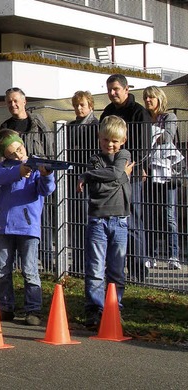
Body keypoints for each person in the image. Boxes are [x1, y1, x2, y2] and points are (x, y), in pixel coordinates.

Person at [0, 129, 55, 326]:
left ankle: (33, 310)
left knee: (30, 269)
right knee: (2, 269)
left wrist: (46, 175)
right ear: (5, 156)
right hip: (4, 228)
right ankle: (5, 307)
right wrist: (18, 171)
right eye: (12, 153)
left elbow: (46, 190)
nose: (18, 154)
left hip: (28, 228)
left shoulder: (35, 165)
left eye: (19, 149)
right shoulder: (5, 169)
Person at [77, 115, 134, 330]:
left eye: (114, 141)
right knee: (95, 267)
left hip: (119, 219)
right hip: (98, 219)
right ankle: (94, 309)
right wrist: (120, 178)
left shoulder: (124, 155)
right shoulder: (95, 159)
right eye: (105, 140)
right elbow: (100, 188)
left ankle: (114, 307)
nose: (109, 145)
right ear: (99, 139)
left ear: (123, 141)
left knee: (117, 269)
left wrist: (88, 175)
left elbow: (115, 173)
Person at [99, 74, 152, 282]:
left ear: (126, 89)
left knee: (133, 220)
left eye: (116, 89)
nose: (112, 93)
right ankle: (117, 268)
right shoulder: (108, 112)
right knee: (114, 221)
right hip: (110, 174)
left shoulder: (139, 112)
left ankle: (139, 269)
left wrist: (135, 167)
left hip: (132, 173)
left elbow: (144, 145)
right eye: (109, 89)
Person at [0, 87, 54, 270]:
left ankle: (46, 262)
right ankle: (13, 265)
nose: (12, 104)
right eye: (9, 102)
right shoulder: (5, 127)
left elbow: (49, 149)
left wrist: (46, 171)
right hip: (15, 183)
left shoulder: (37, 124)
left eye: (15, 101)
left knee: (42, 222)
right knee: (14, 224)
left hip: (36, 180)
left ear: (24, 102)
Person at [143, 86, 182, 270]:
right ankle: (151, 254)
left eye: (151, 97)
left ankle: (173, 255)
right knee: (149, 214)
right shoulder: (143, 119)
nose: (148, 101)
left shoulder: (169, 118)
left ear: (159, 98)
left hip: (166, 173)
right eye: (145, 98)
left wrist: (150, 136)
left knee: (168, 215)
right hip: (149, 171)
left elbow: (166, 137)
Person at [66, 91, 100, 273]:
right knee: (75, 223)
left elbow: (94, 153)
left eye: (82, 105)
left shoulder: (96, 126)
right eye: (76, 105)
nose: (79, 109)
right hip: (72, 178)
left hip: (88, 179)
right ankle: (77, 263)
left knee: (87, 223)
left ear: (90, 106)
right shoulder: (70, 126)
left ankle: (89, 264)